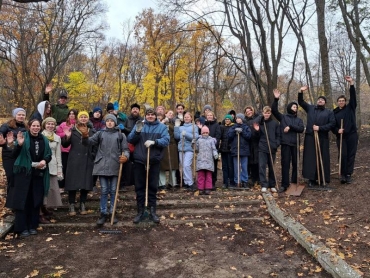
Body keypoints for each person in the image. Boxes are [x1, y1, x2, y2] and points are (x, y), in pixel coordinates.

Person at [5, 119, 52, 238]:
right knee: (23, 201)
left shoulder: (44, 139)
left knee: (35, 201)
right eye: (33, 126)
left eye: (37, 126)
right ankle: (22, 228)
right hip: (23, 174)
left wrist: (44, 160)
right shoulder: (22, 137)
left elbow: (48, 154)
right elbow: (13, 155)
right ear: (29, 126)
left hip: (37, 174)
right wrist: (19, 145)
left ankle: (32, 226)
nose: (36, 128)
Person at [83, 114, 129, 225]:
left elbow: (126, 149)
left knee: (113, 190)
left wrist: (126, 157)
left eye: (111, 121)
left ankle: (112, 212)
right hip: (102, 165)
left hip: (115, 165)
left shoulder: (120, 135)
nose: (109, 123)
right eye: (107, 121)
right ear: (105, 123)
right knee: (104, 190)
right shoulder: (100, 133)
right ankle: (103, 213)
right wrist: (84, 136)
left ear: (115, 123)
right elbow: (88, 143)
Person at [127, 108, 170, 224]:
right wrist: (137, 131)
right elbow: (130, 139)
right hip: (140, 160)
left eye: (152, 115)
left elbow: (166, 140)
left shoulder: (161, 127)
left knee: (152, 187)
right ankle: (140, 211)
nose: (150, 116)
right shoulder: (140, 125)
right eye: (148, 114)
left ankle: (152, 211)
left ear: (156, 116)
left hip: (154, 160)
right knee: (139, 187)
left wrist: (155, 142)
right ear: (145, 116)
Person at [298, 86, 335, 186]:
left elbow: (332, 124)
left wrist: (320, 128)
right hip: (310, 137)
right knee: (310, 158)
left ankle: (322, 178)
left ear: (325, 103)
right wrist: (301, 91)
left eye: (322, 100)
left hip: (322, 137)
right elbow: (301, 102)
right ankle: (311, 179)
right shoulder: (310, 108)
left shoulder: (329, 112)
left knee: (322, 157)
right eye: (319, 99)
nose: (320, 101)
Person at [62, 111, 96, 216]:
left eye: (85, 117)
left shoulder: (92, 131)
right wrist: (67, 137)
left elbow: (95, 145)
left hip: (87, 159)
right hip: (74, 159)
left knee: (85, 183)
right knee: (72, 183)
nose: (83, 118)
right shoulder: (72, 130)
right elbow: (65, 144)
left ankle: (82, 204)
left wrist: (93, 156)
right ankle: (71, 204)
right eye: (81, 117)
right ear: (78, 118)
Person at [272, 89, 304, 192]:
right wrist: (276, 99)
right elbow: (274, 111)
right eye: (294, 106)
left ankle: (294, 182)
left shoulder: (299, 120)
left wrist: (290, 126)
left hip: (295, 144)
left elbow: (301, 129)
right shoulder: (283, 117)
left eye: (296, 107)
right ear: (290, 107)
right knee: (285, 164)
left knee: (295, 163)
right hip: (285, 143)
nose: (295, 108)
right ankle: (284, 184)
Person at [332, 76, 358, 184]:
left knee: (351, 154)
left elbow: (353, 96)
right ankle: (342, 174)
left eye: (343, 101)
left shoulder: (350, 108)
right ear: (337, 102)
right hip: (341, 136)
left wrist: (351, 83)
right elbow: (332, 125)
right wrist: (337, 130)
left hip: (352, 135)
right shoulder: (334, 112)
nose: (341, 102)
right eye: (339, 101)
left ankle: (348, 174)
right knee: (343, 154)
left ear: (345, 102)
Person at [0, 108, 28, 193]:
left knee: (20, 177)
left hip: (21, 154)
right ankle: (10, 199)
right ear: (14, 115)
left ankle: (17, 199)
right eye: (19, 114)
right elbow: (1, 138)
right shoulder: (6, 126)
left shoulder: (26, 127)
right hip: (9, 155)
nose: (21, 116)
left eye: (23, 115)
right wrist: (4, 143)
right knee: (11, 176)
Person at [41, 117, 63, 221]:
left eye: (52, 124)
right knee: (42, 189)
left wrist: (59, 169)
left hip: (53, 165)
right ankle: (41, 211)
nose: (50, 126)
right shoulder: (40, 136)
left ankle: (48, 209)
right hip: (42, 165)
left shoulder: (57, 137)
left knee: (52, 188)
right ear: (44, 125)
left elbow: (58, 155)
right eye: (48, 124)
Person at [254, 106, 280, 193]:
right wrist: (257, 130)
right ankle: (264, 184)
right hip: (262, 147)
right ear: (263, 113)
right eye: (265, 113)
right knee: (262, 166)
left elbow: (278, 135)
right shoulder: (261, 123)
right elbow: (256, 135)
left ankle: (272, 184)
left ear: (270, 113)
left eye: (268, 113)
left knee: (272, 166)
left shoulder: (275, 123)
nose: (267, 114)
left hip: (272, 147)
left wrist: (276, 144)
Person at [174, 112, 199, 191]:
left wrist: (186, 134)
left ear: (191, 118)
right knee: (182, 166)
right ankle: (186, 182)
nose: (186, 118)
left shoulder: (194, 127)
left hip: (189, 148)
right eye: (185, 117)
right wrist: (176, 127)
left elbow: (196, 137)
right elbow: (177, 137)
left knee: (186, 165)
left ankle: (190, 182)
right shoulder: (181, 127)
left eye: (188, 117)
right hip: (181, 148)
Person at [121, 103, 143, 190]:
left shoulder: (142, 120)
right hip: (127, 144)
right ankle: (123, 183)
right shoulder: (126, 119)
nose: (135, 110)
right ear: (131, 110)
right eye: (133, 109)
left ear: (139, 111)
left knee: (138, 164)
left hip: (138, 145)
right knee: (125, 163)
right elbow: (123, 130)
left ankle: (137, 183)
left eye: (137, 109)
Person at [228, 113, 252, 189]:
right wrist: (234, 131)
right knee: (236, 167)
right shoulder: (233, 127)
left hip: (244, 150)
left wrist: (242, 132)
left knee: (244, 166)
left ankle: (244, 181)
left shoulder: (246, 127)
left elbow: (249, 136)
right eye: (237, 118)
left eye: (239, 118)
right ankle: (237, 181)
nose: (237, 119)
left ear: (242, 119)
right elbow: (229, 136)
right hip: (236, 150)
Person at [56, 109, 77, 192]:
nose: (71, 115)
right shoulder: (63, 124)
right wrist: (66, 134)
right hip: (64, 149)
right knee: (63, 168)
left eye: (73, 113)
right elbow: (58, 134)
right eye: (70, 114)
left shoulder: (77, 124)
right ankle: (61, 186)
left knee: (72, 169)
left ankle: (70, 186)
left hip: (74, 150)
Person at [158, 110, 179, 190]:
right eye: (169, 113)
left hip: (172, 146)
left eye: (172, 114)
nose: (171, 114)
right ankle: (161, 184)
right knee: (162, 166)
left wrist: (177, 127)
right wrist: (163, 122)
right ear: (165, 114)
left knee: (173, 166)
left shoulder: (174, 123)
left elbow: (176, 136)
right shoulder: (160, 122)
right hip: (163, 146)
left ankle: (172, 183)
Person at [196, 125, 218, 195]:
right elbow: (196, 149)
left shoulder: (211, 140)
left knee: (209, 176)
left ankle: (208, 188)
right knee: (201, 175)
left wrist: (215, 154)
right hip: (201, 160)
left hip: (209, 160)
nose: (205, 134)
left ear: (208, 133)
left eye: (206, 133)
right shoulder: (199, 140)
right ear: (201, 133)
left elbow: (213, 148)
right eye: (204, 133)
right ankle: (201, 188)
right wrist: (193, 143)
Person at [203, 110, 221, 189]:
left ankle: (213, 182)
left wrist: (213, 145)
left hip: (213, 149)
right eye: (208, 115)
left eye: (211, 115)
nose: (209, 116)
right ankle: (205, 182)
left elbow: (218, 136)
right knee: (205, 166)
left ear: (213, 116)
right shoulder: (204, 125)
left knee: (213, 166)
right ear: (206, 116)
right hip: (204, 150)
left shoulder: (216, 125)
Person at [244, 106, 261, 186]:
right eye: (247, 111)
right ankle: (253, 178)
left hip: (257, 143)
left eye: (250, 110)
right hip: (249, 144)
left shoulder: (258, 118)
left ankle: (259, 178)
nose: (249, 112)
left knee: (258, 161)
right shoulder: (245, 121)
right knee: (251, 162)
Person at [219, 114, 235, 188]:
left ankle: (231, 182)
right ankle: (225, 182)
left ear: (231, 120)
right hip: (223, 149)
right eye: (226, 119)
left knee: (230, 166)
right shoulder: (222, 127)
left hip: (230, 149)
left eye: (228, 119)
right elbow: (220, 137)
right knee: (224, 166)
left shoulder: (233, 127)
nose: (227, 120)